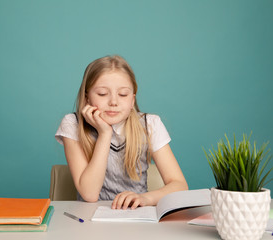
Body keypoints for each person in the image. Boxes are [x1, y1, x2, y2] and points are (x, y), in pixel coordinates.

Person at [55, 55, 188, 210]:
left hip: (137, 214)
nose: (113, 102)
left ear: (132, 100)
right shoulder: (72, 124)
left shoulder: (150, 124)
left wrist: (144, 198)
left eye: (123, 94)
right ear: (87, 98)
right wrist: (104, 134)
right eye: (102, 94)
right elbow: (89, 194)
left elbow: (179, 185)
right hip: (90, 218)